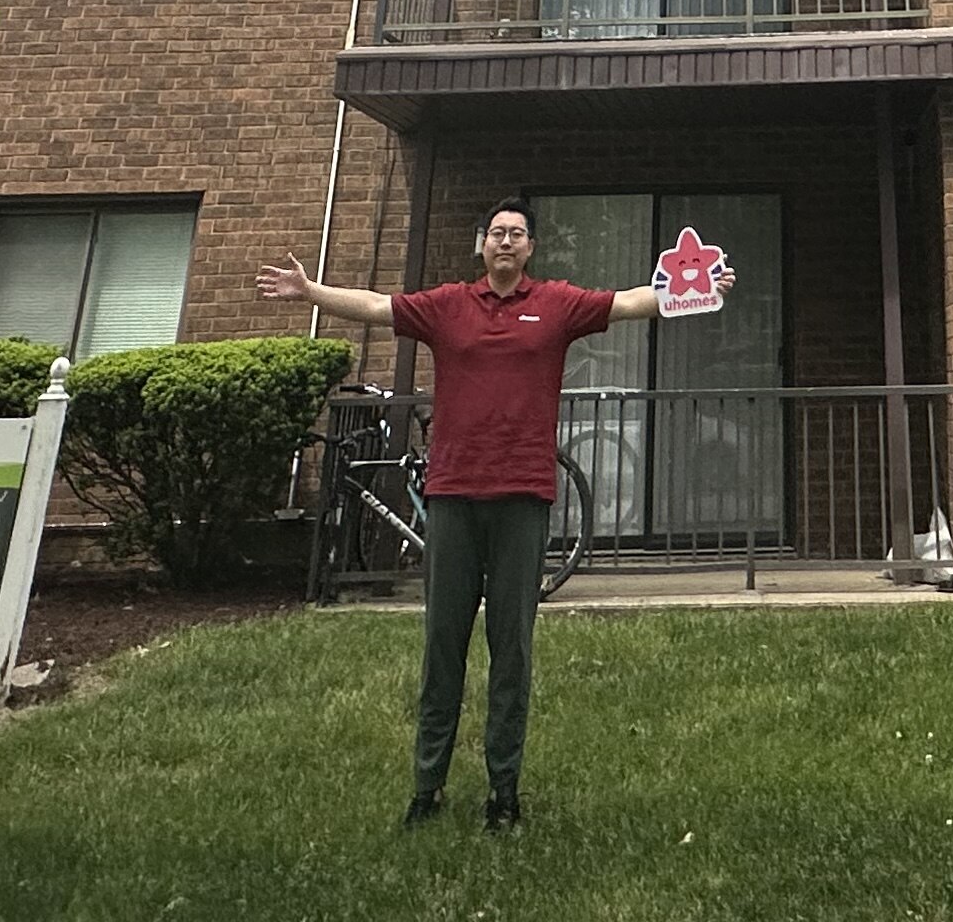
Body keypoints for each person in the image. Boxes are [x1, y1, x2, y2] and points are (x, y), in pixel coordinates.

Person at [258, 200, 721, 831]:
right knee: (442, 648)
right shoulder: (447, 305)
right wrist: (311, 291)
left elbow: (629, 302)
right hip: (453, 497)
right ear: (483, 244)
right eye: (497, 233)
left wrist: (693, 289)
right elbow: (376, 306)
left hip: (522, 497)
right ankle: (427, 788)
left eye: (517, 234)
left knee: (512, 652)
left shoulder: (557, 304)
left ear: (530, 247)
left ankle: (504, 794)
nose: (506, 241)